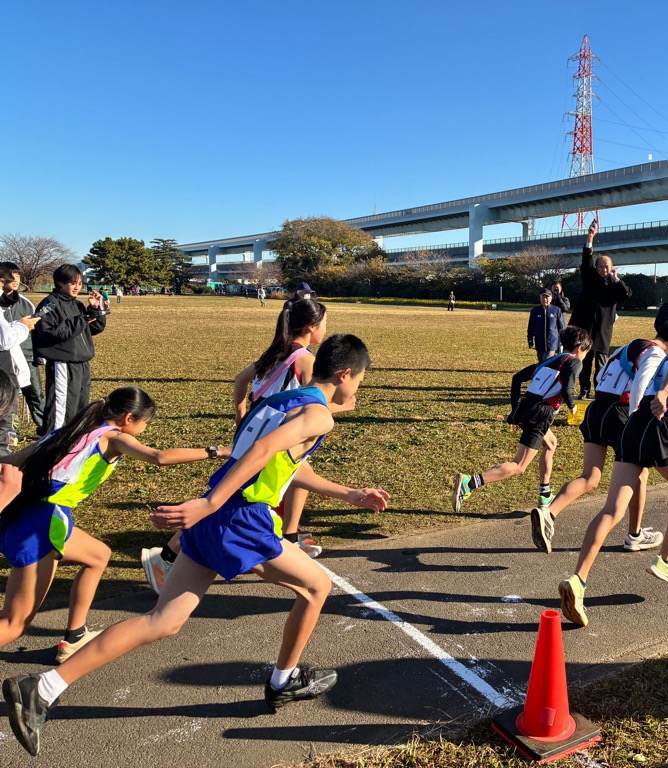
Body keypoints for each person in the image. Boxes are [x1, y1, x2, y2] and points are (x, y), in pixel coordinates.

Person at [2, 335, 391, 758]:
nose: (359, 389)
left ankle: (42, 687)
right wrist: (210, 502)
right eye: (362, 379)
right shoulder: (319, 417)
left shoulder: (283, 399)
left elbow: (281, 459)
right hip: (239, 516)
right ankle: (284, 680)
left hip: (217, 515)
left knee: (163, 621)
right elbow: (261, 452)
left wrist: (348, 493)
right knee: (317, 587)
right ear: (345, 373)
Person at [0, 386, 230, 667]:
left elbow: (10, 460)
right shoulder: (113, 438)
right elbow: (159, 457)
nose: (146, 427)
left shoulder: (69, 431)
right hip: (44, 524)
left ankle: (74, 636)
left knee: (98, 555)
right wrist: (218, 451)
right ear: (129, 418)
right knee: (14, 624)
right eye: (147, 421)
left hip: (23, 514)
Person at [558, 308, 668, 627]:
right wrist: (667, 393)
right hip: (660, 428)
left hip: (635, 424)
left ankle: (578, 581)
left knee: (611, 510)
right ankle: (665, 560)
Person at [142, 299, 330, 587]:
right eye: (324, 325)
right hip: (279, 436)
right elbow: (313, 399)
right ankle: (166, 557)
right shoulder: (305, 359)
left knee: (250, 493)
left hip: (255, 431)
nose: (325, 331)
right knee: (239, 499)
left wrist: (240, 411)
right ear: (311, 327)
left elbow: (240, 380)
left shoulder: (274, 354)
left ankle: (289, 538)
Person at [530, 322, 668, 554]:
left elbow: (601, 373)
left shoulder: (625, 347)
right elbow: (642, 385)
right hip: (621, 413)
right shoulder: (655, 353)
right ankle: (634, 535)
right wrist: (635, 418)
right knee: (640, 474)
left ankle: (549, 513)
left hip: (597, 409)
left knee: (590, 476)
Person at [453, 326, 592, 514]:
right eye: (586, 351)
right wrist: (572, 406)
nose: (585, 355)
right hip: (541, 414)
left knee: (551, 444)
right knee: (519, 466)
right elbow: (568, 389)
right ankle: (469, 483)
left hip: (526, 408)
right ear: (579, 348)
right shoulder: (574, 362)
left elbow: (517, 378)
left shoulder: (550, 360)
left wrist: (515, 411)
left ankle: (545, 495)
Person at [32, 264, 107, 434]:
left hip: (82, 362)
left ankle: (72, 440)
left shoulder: (77, 304)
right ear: (60, 282)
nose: (77, 287)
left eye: (80, 283)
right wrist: (80, 321)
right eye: (72, 283)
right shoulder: (49, 304)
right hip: (63, 363)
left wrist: (95, 309)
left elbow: (95, 328)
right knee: (61, 408)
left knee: (80, 407)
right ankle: (52, 443)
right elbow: (47, 332)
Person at [568, 221, 631, 399]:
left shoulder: (615, 285)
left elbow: (626, 294)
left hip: (603, 331)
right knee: (585, 363)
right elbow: (586, 259)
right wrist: (590, 237)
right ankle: (584, 391)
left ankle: (601, 391)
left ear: (612, 268)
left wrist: (616, 279)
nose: (604, 270)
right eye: (601, 266)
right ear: (597, 268)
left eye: (607, 267)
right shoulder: (590, 278)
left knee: (602, 364)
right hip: (585, 329)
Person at [0, 263, 42, 442]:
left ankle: (43, 427)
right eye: (11, 277)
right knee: (7, 402)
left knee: (35, 395)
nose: (15, 280)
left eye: (18, 276)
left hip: (26, 357)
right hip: (5, 362)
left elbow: (37, 330)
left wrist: (38, 355)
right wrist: (20, 326)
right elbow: (6, 339)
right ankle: (8, 439)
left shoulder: (25, 303)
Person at [527, 289, 565, 363]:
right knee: (541, 362)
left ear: (551, 298)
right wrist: (530, 339)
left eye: (547, 297)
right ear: (540, 298)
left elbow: (562, 327)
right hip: (539, 342)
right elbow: (531, 327)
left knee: (546, 361)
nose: (545, 299)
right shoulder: (535, 311)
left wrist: (563, 340)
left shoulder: (556, 310)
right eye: (543, 297)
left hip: (552, 343)